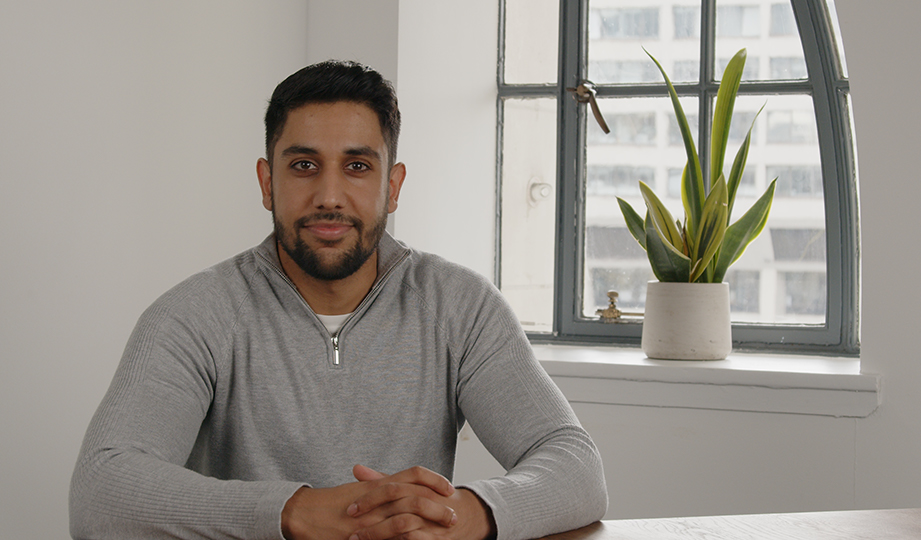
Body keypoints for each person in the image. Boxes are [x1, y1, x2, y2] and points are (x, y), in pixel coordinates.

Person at [69, 60, 607, 540]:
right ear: (267, 182)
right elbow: (102, 489)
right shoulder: (193, 315)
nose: (329, 195)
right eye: (304, 165)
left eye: (357, 166)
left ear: (392, 187)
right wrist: (293, 512)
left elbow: (575, 466)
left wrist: (463, 515)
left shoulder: (459, 307)